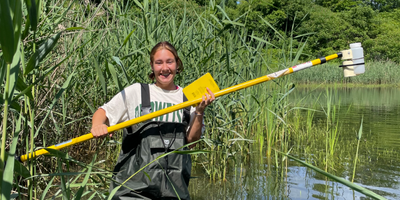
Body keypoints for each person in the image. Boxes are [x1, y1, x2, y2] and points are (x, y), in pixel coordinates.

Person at [91, 41, 215, 200]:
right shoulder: (137, 92)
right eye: (159, 63)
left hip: (174, 190)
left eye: (169, 62)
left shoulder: (189, 97)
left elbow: (191, 140)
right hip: (132, 192)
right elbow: (103, 112)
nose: (164, 68)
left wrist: (199, 111)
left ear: (177, 64)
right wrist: (98, 125)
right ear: (152, 66)